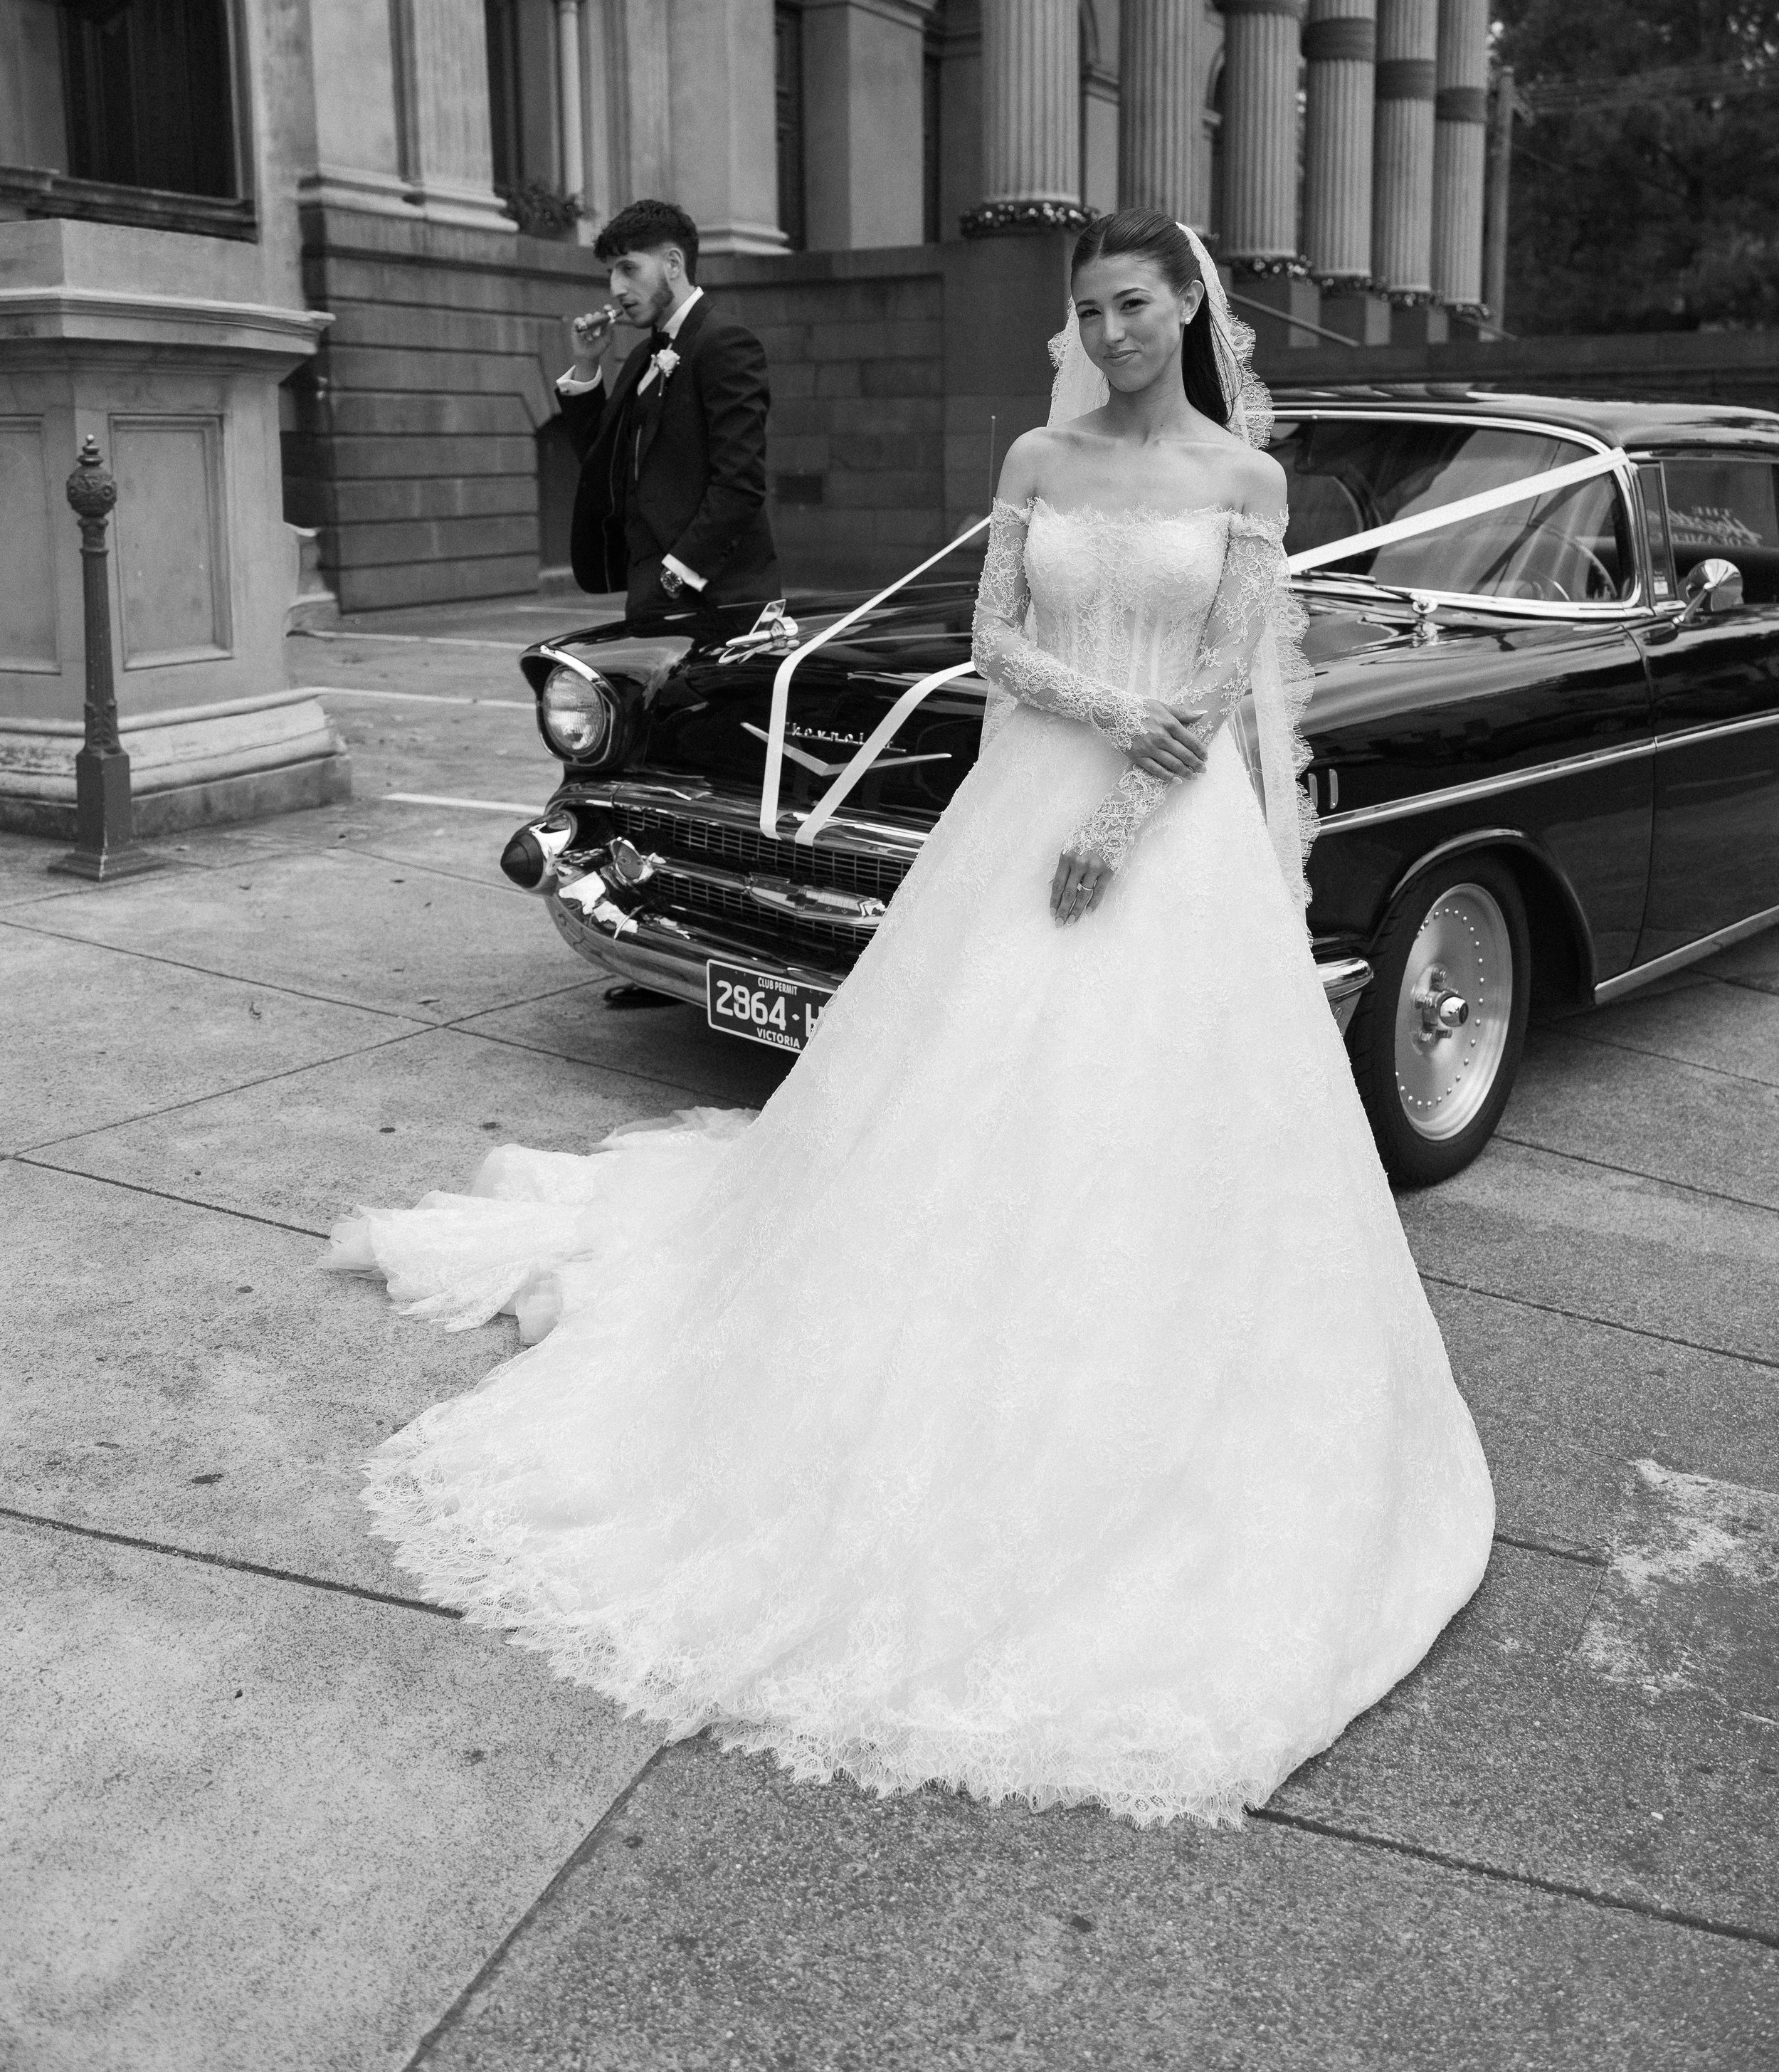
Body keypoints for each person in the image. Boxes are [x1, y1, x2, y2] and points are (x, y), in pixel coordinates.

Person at [322, 208, 1494, 1829]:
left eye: (1137, 304)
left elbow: (1224, 685)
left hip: (1172, 841)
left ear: (1189, 308)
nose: (1113, 331)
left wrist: (1122, 815)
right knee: (959, 1089)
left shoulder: (1244, 481)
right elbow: (1001, 639)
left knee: (1163, 1127)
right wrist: (1102, 723)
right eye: (1091, 308)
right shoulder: (1037, 458)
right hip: (1029, 793)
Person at [556, 197, 779, 629]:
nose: (616, 288)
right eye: (610, 273)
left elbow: (740, 484)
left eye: (628, 268)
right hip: (652, 597)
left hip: (718, 602)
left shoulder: (726, 342)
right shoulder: (642, 356)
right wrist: (586, 366)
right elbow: (603, 466)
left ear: (673, 264)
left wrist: (674, 575)